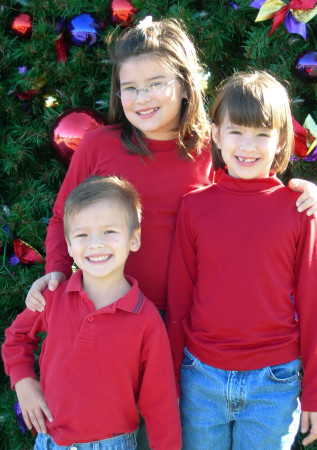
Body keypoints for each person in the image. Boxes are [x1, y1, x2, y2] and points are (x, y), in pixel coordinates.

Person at [24, 17, 317, 449]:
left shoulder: (210, 150)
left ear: (185, 85)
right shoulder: (98, 146)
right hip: (108, 316)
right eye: (130, 87)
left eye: (155, 83)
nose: (142, 97)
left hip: (179, 328)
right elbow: (59, 218)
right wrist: (55, 269)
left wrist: (304, 189)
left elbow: (251, 187)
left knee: (165, 434)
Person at [166, 71, 317, 450]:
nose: (248, 145)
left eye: (262, 134)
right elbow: (178, 302)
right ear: (217, 136)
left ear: (280, 142)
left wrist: (316, 392)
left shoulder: (299, 210)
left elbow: (314, 307)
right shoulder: (194, 208)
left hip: (273, 383)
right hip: (200, 378)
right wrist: (171, 380)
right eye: (237, 131)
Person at [2, 175, 182, 450]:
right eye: (82, 234)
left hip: (113, 444)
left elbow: (160, 402)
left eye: (109, 231)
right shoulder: (53, 297)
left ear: (134, 239)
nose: (95, 244)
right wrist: (24, 382)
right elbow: (16, 337)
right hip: (50, 442)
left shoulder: (145, 320)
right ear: (69, 245)